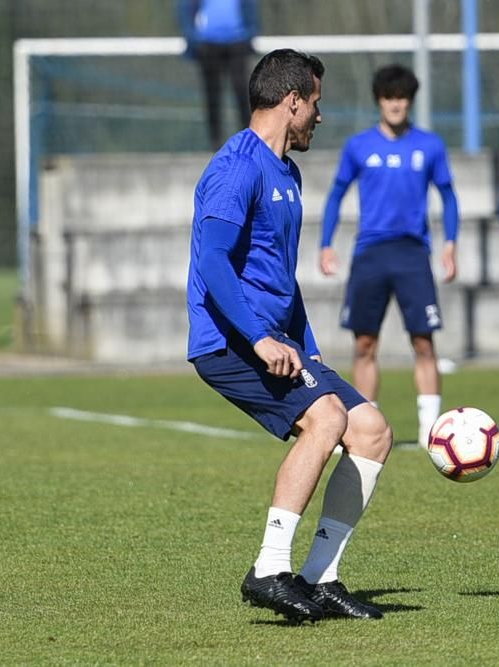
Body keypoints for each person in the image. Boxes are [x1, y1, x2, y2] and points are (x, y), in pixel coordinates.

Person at [187, 49, 392, 624]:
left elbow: (279, 273)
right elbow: (213, 263)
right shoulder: (237, 167)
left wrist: (307, 340)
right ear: (292, 101)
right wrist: (258, 338)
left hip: (277, 339)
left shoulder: (288, 172)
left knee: (372, 430)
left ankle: (319, 578)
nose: (319, 118)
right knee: (327, 418)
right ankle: (269, 569)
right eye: (315, 104)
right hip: (228, 341)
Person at [320, 64, 459, 449]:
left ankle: (432, 433)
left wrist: (451, 243)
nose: (395, 104)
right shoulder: (359, 146)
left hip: (413, 253)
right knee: (365, 344)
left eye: (402, 98)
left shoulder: (429, 145)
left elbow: (448, 195)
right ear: (379, 100)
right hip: (371, 254)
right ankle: (367, 426)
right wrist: (326, 243)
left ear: (410, 101)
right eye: (389, 97)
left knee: (424, 342)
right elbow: (336, 194)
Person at [178, 0, 258, 150]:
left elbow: (250, 7)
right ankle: (216, 144)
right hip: (208, 43)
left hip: (238, 41)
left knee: (243, 93)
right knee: (212, 96)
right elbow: (186, 8)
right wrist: (193, 39)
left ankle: (250, 142)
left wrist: (249, 34)